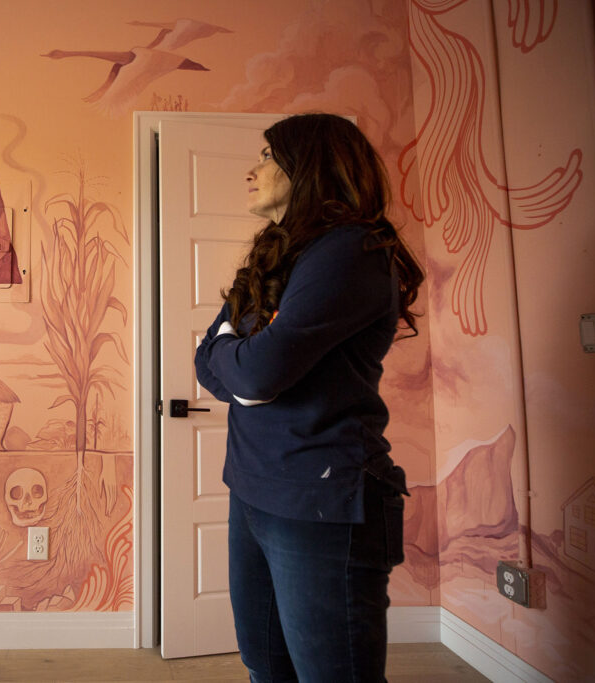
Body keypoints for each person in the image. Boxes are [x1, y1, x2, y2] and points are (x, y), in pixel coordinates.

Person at [194, 113, 424, 683]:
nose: (252, 170)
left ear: (311, 168)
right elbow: (208, 365)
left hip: (321, 502)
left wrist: (243, 362)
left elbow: (253, 375)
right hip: (252, 489)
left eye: (269, 158)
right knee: (265, 667)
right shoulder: (272, 255)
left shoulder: (352, 250)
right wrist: (243, 366)